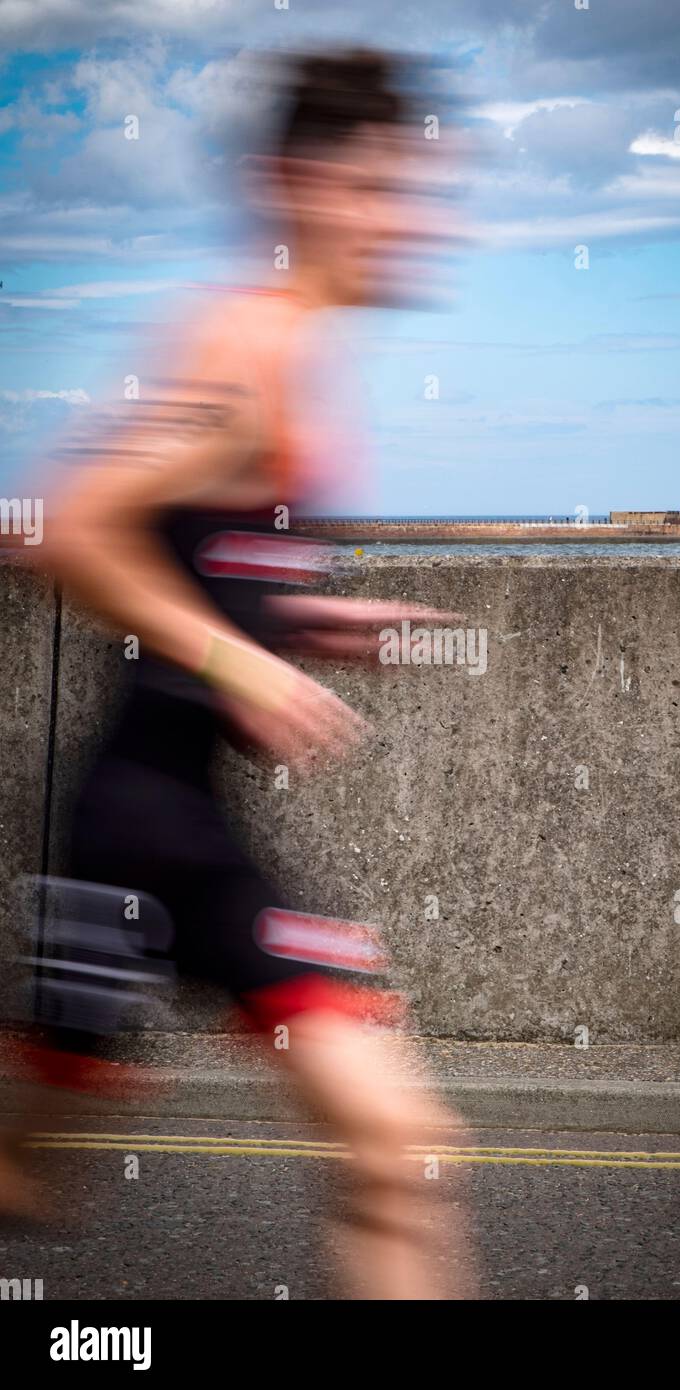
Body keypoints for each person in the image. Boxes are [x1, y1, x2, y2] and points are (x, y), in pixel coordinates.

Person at [0, 47, 474, 1300]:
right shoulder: (240, 344)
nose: (407, 222)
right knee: (26, 1177)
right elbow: (58, 522)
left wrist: (308, 625)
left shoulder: (296, 357)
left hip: (195, 836)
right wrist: (237, 665)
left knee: (399, 1154)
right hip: (133, 830)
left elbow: (197, 554)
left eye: (416, 191)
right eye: (377, 189)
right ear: (291, 185)